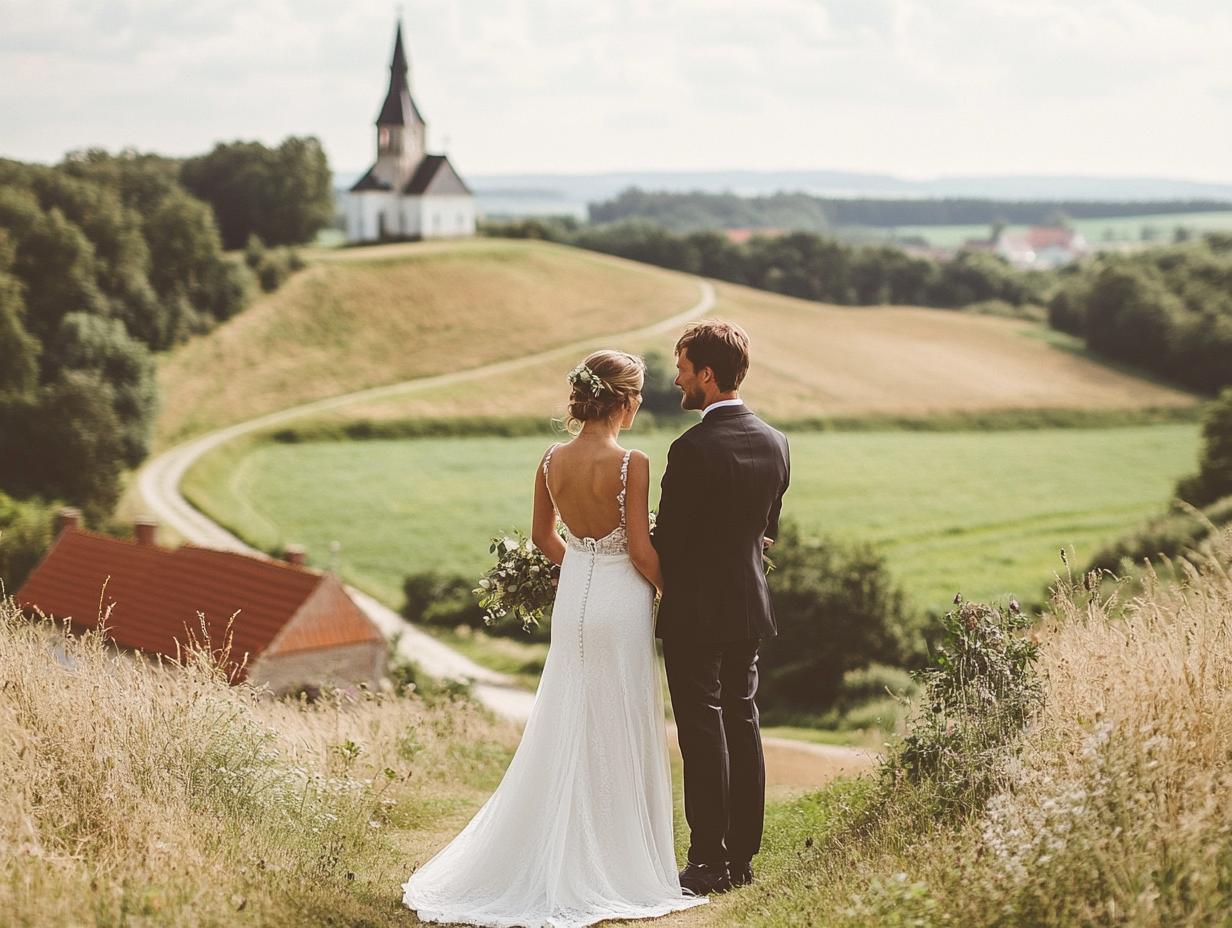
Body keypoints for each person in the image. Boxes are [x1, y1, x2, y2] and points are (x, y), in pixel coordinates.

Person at [401, 349, 706, 927]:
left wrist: (585, 566)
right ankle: (612, 858)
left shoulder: (550, 459)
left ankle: (558, 842)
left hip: (576, 598)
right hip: (622, 603)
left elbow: (544, 538)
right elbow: (641, 551)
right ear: (625, 401)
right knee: (620, 715)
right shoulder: (633, 463)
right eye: (638, 396)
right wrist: (670, 590)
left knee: (568, 712)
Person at [652, 320, 791, 896]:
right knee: (743, 721)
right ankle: (742, 859)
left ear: (706, 375)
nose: (678, 378)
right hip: (749, 606)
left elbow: (670, 544)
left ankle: (708, 861)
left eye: (683, 368)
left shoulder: (690, 448)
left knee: (702, 730)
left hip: (695, 610)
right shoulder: (775, 441)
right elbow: (766, 536)